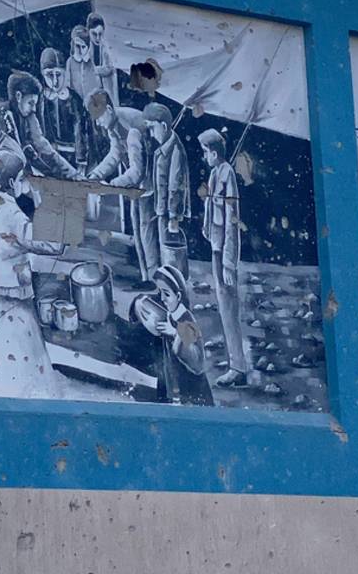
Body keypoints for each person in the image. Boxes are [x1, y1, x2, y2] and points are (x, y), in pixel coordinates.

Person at [0, 152, 65, 398]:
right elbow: (51, 245)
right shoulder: (12, 214)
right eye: (22, 179)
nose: (25, 184)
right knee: (25, 355)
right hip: (14, 294)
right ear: (14, 182)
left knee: (1, 354)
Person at [86, 89, 159, 287]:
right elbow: (115, 154)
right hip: (137, 187)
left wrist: (110, 186)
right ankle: (146, 278)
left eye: (99, 118)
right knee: (138, 230)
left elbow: (137, 171)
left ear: (108, 109)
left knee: (147, 232)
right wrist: (96, 174)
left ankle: (154, 279)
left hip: (150, 186)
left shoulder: (132, 129)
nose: (98, 123)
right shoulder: (113, 125)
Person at [121, 265, 213, 406]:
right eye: (160, 293)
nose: (162, 298)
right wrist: (138, 305)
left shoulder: (186, 320)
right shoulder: (169, 311)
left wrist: (175, 333)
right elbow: (144, 303)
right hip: (172, 380)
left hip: (191, 390)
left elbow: (197, 362)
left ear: (178, 296)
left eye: (166, 294)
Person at [199, 128, 247, 387]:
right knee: (223, 304)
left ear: (214, 152)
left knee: (229, 308)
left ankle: (238, 368)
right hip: (216, 247)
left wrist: (229, 260)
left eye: (205, 152)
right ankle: (233, 361)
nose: (204, 157)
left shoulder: (227, 175)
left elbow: (232, 220)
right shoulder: (216, 172)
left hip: (224, 251)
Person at [3, 72, 77, 179]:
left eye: (35, 104)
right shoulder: (2, 117)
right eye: (31, 103)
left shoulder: (29, 116)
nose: (34, 109)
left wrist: (73, 175)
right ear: (18, 96)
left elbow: (43, 146)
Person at [143, 103, 191, 265]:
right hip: (161, 210)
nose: (150, 133)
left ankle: (171, 284)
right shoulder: (163, 148)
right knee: (164, 252)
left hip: (169, 214)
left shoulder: (176, 150)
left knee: (169, 254)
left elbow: (175, 186)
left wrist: (173, 217)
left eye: (152, 128)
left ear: (163, 126)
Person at [38, 47, 89, 170]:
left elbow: (80, 131)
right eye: (49, 75)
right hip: (47, 158)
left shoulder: (74, 99)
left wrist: (81, 160)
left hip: (71, 157)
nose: (55, 81)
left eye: (58, 74)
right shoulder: (40, 100)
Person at [87, 11, 119, 106]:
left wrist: (93, 70)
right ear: (88, 31)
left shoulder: (106, 48)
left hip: (108, 86)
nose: (97, 38)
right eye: (94, 34)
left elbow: (108, 68)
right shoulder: (87, 48)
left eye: (100, 34)